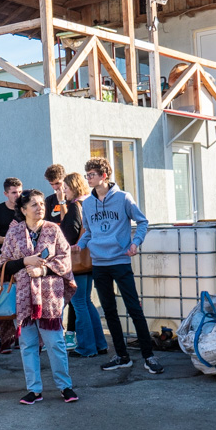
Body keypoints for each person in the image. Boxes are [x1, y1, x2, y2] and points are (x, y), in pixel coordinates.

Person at [77, 158, 164, 375]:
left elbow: (142, 222)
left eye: (92, 174)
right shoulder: (87, 203)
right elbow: (88, 231)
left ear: (104, 176)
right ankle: (122, 356)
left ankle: (148, 356)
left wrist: (135, 243)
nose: (88, 178)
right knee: (109, 311)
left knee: (134, 308)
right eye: (87, 174)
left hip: (120, 261)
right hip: (99, 264)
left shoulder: (124, 198)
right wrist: (79, 245)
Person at [0, 189, 78, 405]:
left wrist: (43, 270)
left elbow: (65, 260)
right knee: (27, 345)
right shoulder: (13, 233)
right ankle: (34, 390)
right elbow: (2, 265)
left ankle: (65, 386)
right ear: (23, 209)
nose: (40, 207)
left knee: (55, 343)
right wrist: (25, 262)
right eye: (34, 204)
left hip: (50, 297)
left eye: (41, 203)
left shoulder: (54, 230)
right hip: (24, 298)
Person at [61, 172, 108, 359]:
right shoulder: (91, 203)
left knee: (79, 303)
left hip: (77, 262)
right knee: (87, 303)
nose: (64, 192)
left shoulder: (75, 207)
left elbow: (69, 236)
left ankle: (87, 347)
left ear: (72, 187)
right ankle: (100, 344)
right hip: (91, 260)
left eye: (65, 188)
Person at [0, 178, 23, 355]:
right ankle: (6, 339)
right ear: (6, 193)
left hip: (24, 259)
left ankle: (22, 337)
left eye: (20, 192)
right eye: (14, 192)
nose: (17, 195)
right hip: (5, 260)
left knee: (23, 298)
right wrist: (10, 238)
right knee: (5, 297)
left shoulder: (25, 208)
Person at [44, 163, 76, 340]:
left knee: (74, 294)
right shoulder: (49, 201)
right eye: (53, 185)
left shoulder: (72, 198)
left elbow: (67, 223)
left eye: (58, 183)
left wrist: (63, 200)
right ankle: (57, 330)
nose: (56, 188)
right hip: (55, 253)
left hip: (72, 251)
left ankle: (71, 331)